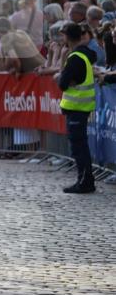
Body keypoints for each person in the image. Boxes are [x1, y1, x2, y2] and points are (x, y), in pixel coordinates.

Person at [56, 22, 96, 194]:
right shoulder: (84, 54)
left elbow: (63, 84)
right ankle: (85, 180)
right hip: (81, 107)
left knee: (79, 147)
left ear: (67, 36)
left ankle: (85, 181)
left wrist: (62, 75)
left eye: (63, 35)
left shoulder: (75, 58)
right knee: (80, 146)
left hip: (77, 107)